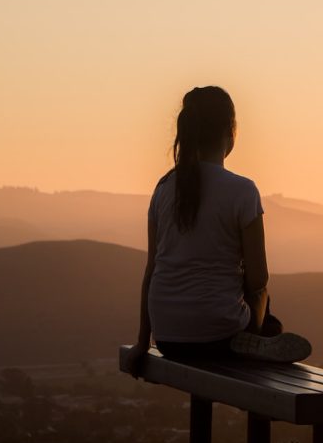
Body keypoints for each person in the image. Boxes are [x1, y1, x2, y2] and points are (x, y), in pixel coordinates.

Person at [124, 86, 310, 376]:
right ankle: (262, 337)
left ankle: (258, 336)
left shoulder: (163, 188)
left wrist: (141, 343)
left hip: (169, 338)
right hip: (220, 336)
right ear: (230, 131)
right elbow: (259, 278)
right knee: (264, 300)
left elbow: (151, 272)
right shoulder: (243, 191)